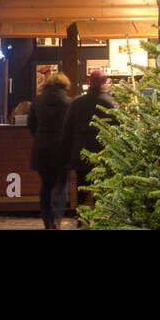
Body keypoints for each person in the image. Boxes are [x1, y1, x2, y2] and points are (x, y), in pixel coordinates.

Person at [64, 69, 116, 218]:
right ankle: (100, 221)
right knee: (102, 191)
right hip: (103, 155)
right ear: (104, 83)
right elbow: (118, 129)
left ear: (89, 83)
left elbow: (67, 130)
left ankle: (82, 221)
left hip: (81, 155)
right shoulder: (109, 103)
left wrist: (67, 155)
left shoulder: (77, 103)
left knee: (82, 191)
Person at [28, 72, 72, 229]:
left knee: (46, 185)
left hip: (42, 148)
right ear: (64, 86)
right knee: (61, 184)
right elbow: (70, 128)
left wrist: (40, 137)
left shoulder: (37, 101)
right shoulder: (68, 103)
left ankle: (47, 219)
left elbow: (31, 125)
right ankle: (57, 217)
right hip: (61, 149)